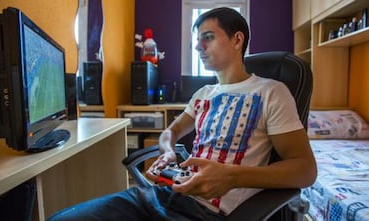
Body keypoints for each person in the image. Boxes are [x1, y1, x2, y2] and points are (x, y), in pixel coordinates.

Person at [48, 7, 317, 221]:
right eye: (197, 40)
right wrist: (167, 151)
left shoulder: (271, 91)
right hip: (159, 196)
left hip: (205, 214)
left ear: (237, 39)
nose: (198, 46)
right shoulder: (203, 94)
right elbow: (171, 132)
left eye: (208, 37)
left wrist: (234, 176)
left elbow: (305, 170)